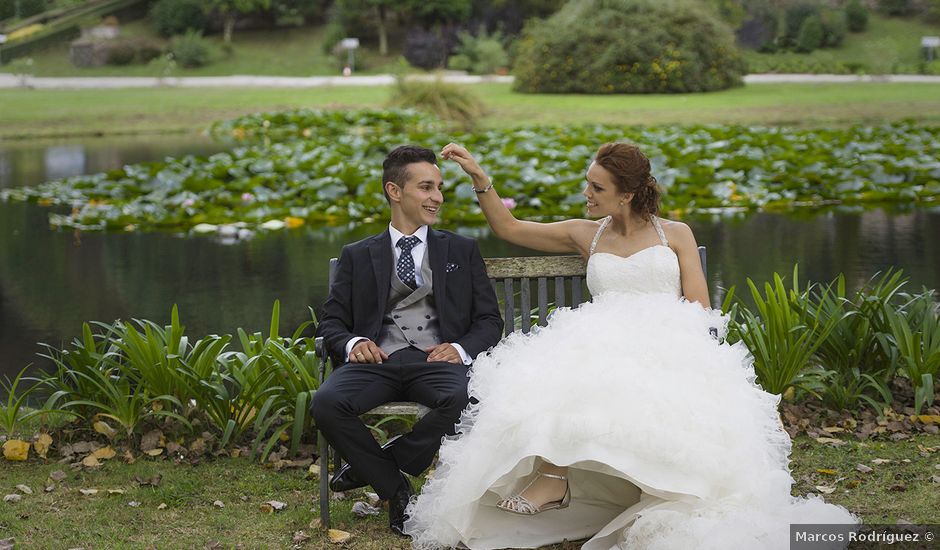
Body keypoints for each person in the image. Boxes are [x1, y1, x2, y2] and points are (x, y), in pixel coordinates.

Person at [403, 142, 856, 549]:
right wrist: (480, 179)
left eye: (596, 188)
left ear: (628, 193)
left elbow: (698, 304)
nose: (587, 194)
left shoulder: (675, 234)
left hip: (668, 341)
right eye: (588, 184)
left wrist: (673, 347)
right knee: (563, 372)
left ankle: (656, 489)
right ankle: (552, 479)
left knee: (630, 378)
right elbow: (510, 227)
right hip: (600, 340)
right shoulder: (587, 233)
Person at [311, 145, 503, 536]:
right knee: (327, 403)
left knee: (466, 399)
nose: (437, 197)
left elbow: (488, 320)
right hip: (375, 363)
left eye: (440, 188)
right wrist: (353, 344)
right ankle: (395, 487)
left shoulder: (461, 250)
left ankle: (382, 461)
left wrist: (460, 349)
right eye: (426, 187)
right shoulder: (357, 255)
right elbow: (331, 322)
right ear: (394, 191)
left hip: (436, 361)